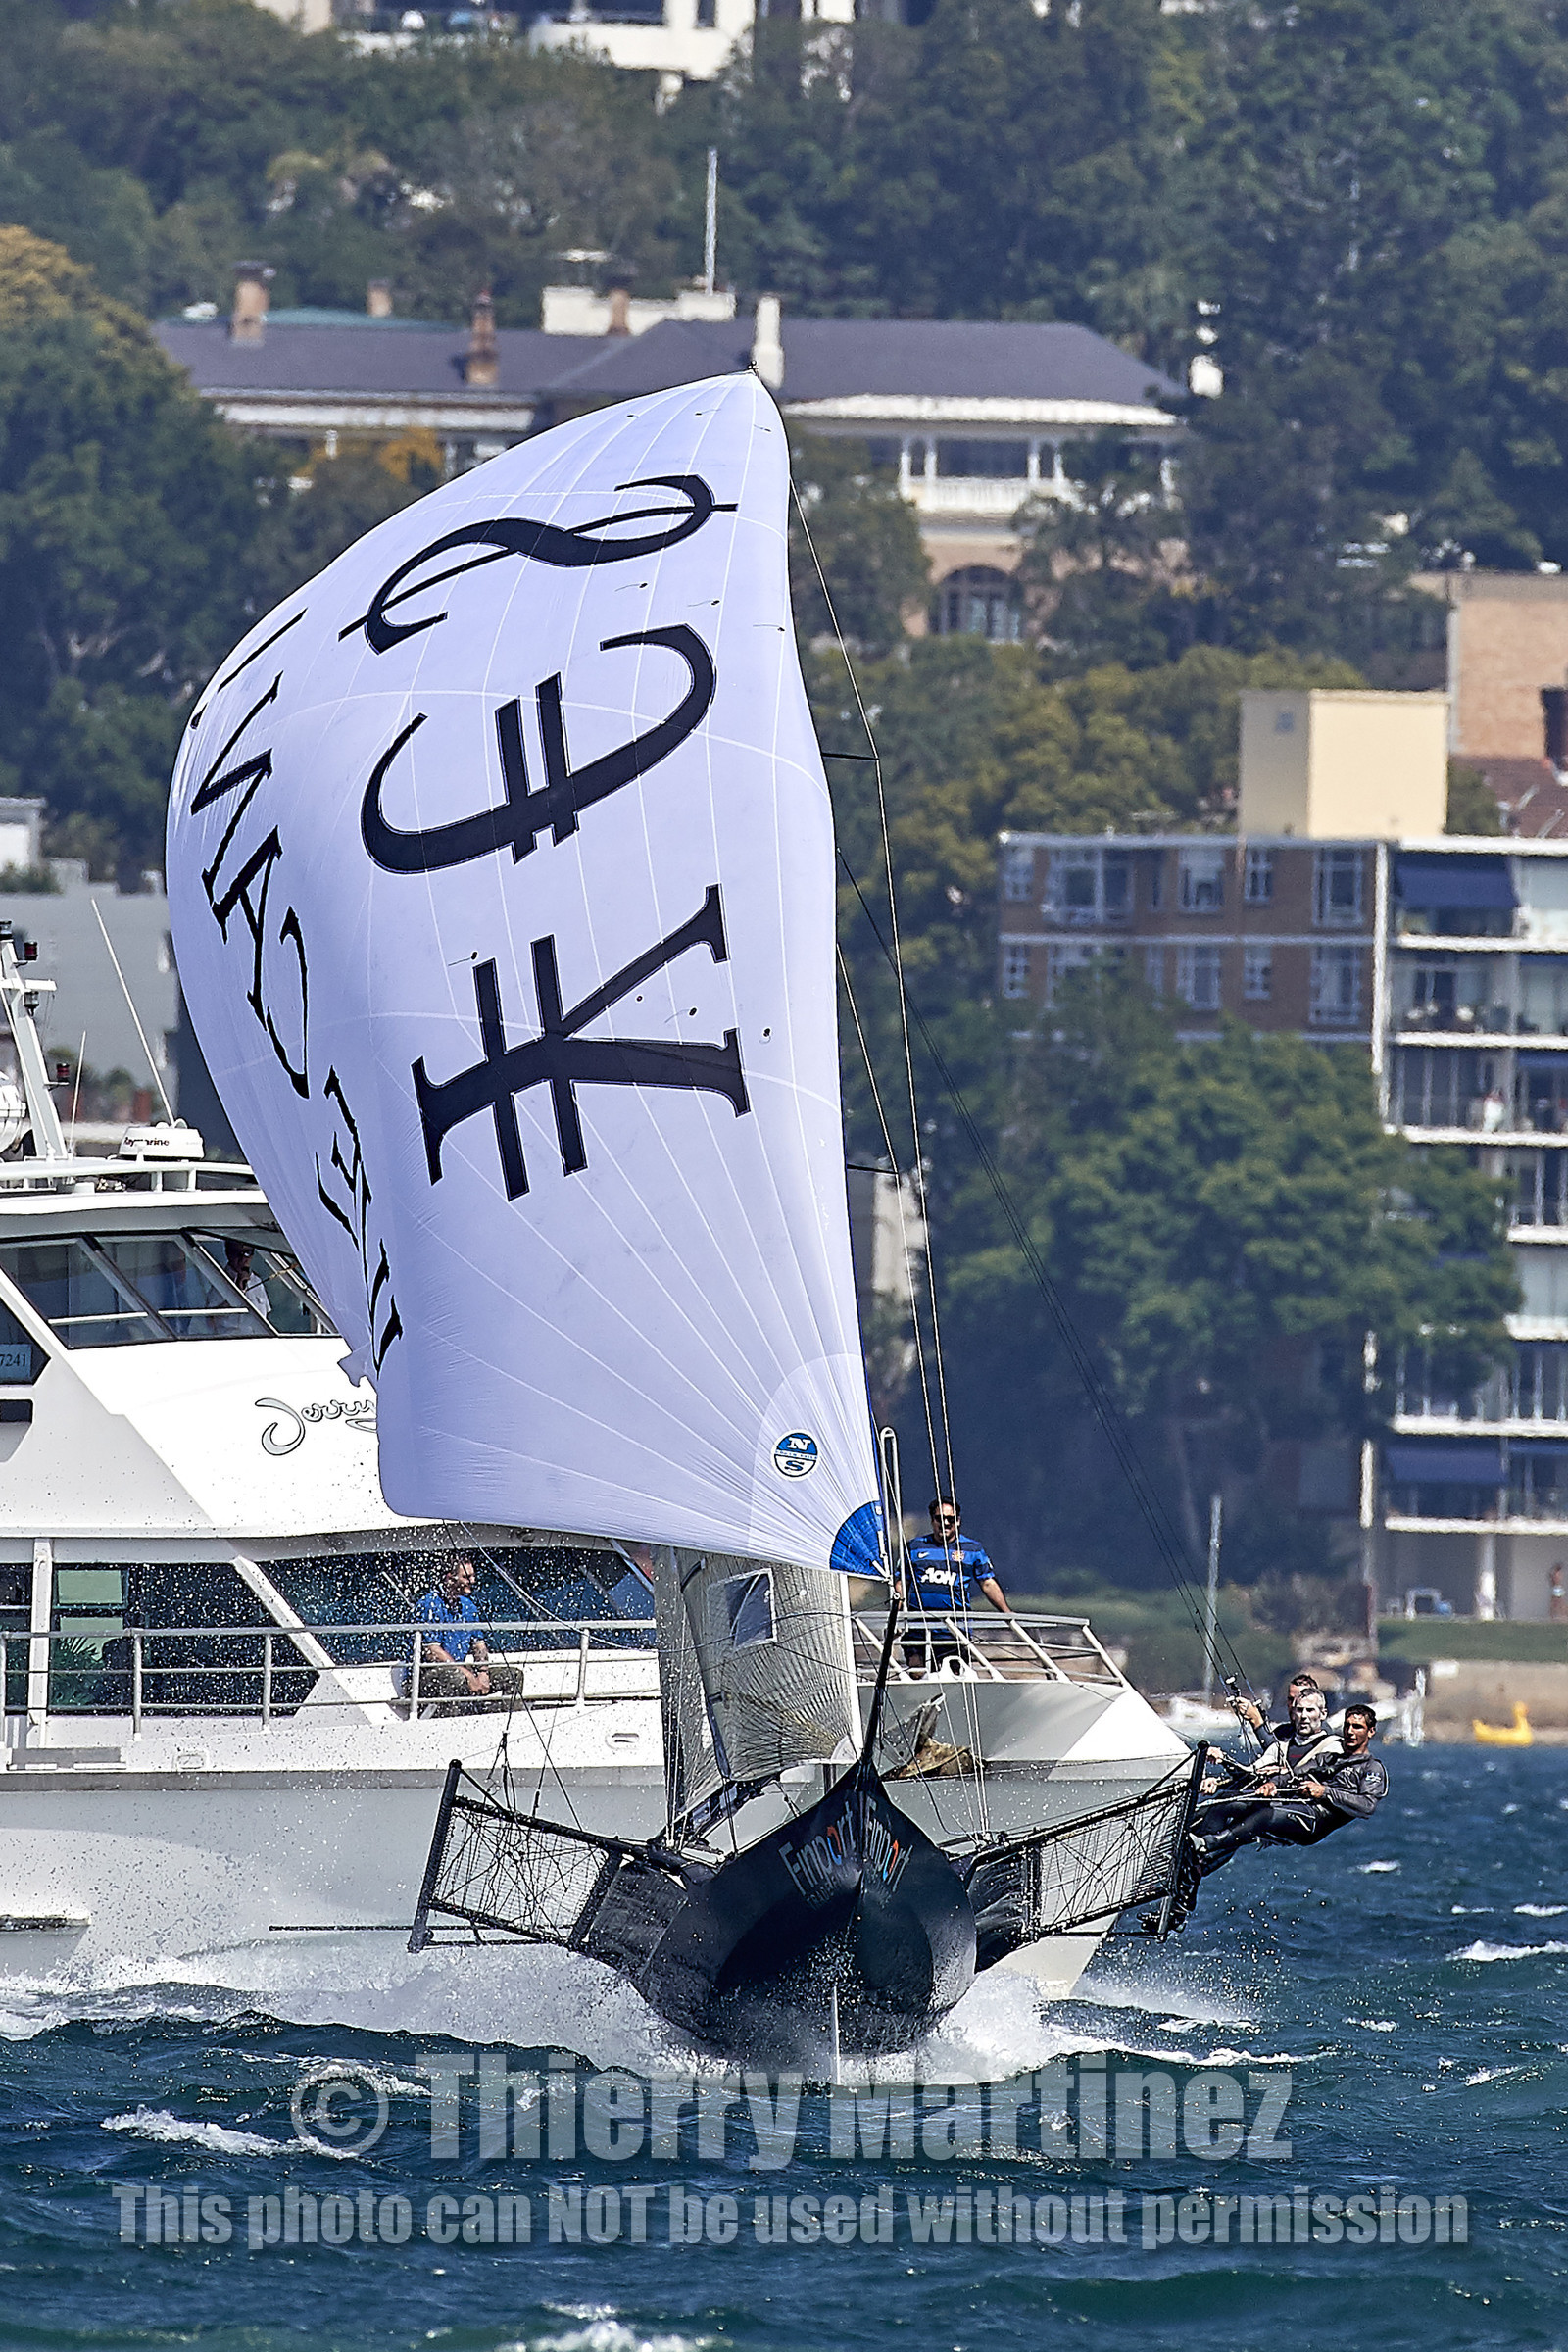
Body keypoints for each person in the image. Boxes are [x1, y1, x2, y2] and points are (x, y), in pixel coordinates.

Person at [1191, 1698, 1387, 1880]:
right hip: (1298, 1808)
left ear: (1371, 1731)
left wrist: (1324, 1792)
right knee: (1228, 1802)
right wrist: (1272, 1784)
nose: (1351, 1732)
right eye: (1347, 1726)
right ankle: (1197, 1860)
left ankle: (1207, 1843)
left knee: (1266, 1814)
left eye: (1358, 1727)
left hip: (1314, 1822)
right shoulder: (1329, 1758)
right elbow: (1294, 1773)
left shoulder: (1371, 1768)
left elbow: (1367, 1806)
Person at [901, 1496, 1012, 1673]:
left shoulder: (972, 1549)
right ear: (932, 1520)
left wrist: (1007, 1615)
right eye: (939, 1518)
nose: (944, 1523)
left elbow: (988, 1583)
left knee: (954, 1677)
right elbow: (901, 1584)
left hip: (954, 1631)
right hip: (918, 1628)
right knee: (917, 1673)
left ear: (958, 1521)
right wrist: (896, 1616)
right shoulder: (914, 1547)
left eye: (950, 1519)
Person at [416, 1557, 525, 1714]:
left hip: (458, 1670)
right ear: (449, 1578)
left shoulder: (468, 1606)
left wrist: (483, 1672)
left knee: (513, 1676)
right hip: (426, 1676)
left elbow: (479, 1645)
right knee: (457, 1679)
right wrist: (468, 1675)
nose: (473, 1581)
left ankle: (507, 1724)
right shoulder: (430, 1604)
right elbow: (433, 1652)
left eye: (473, 1576)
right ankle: (451, 1725)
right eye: (466, 1577)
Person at [224, 1239, 273, 1322]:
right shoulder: (219, 1282)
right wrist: (236, 1292)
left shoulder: (257, 1282)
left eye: (248, 1253)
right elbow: (211, 1320)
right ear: (229, 1254)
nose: (244, 1259)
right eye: (238, 1254)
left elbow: (265, 1314)